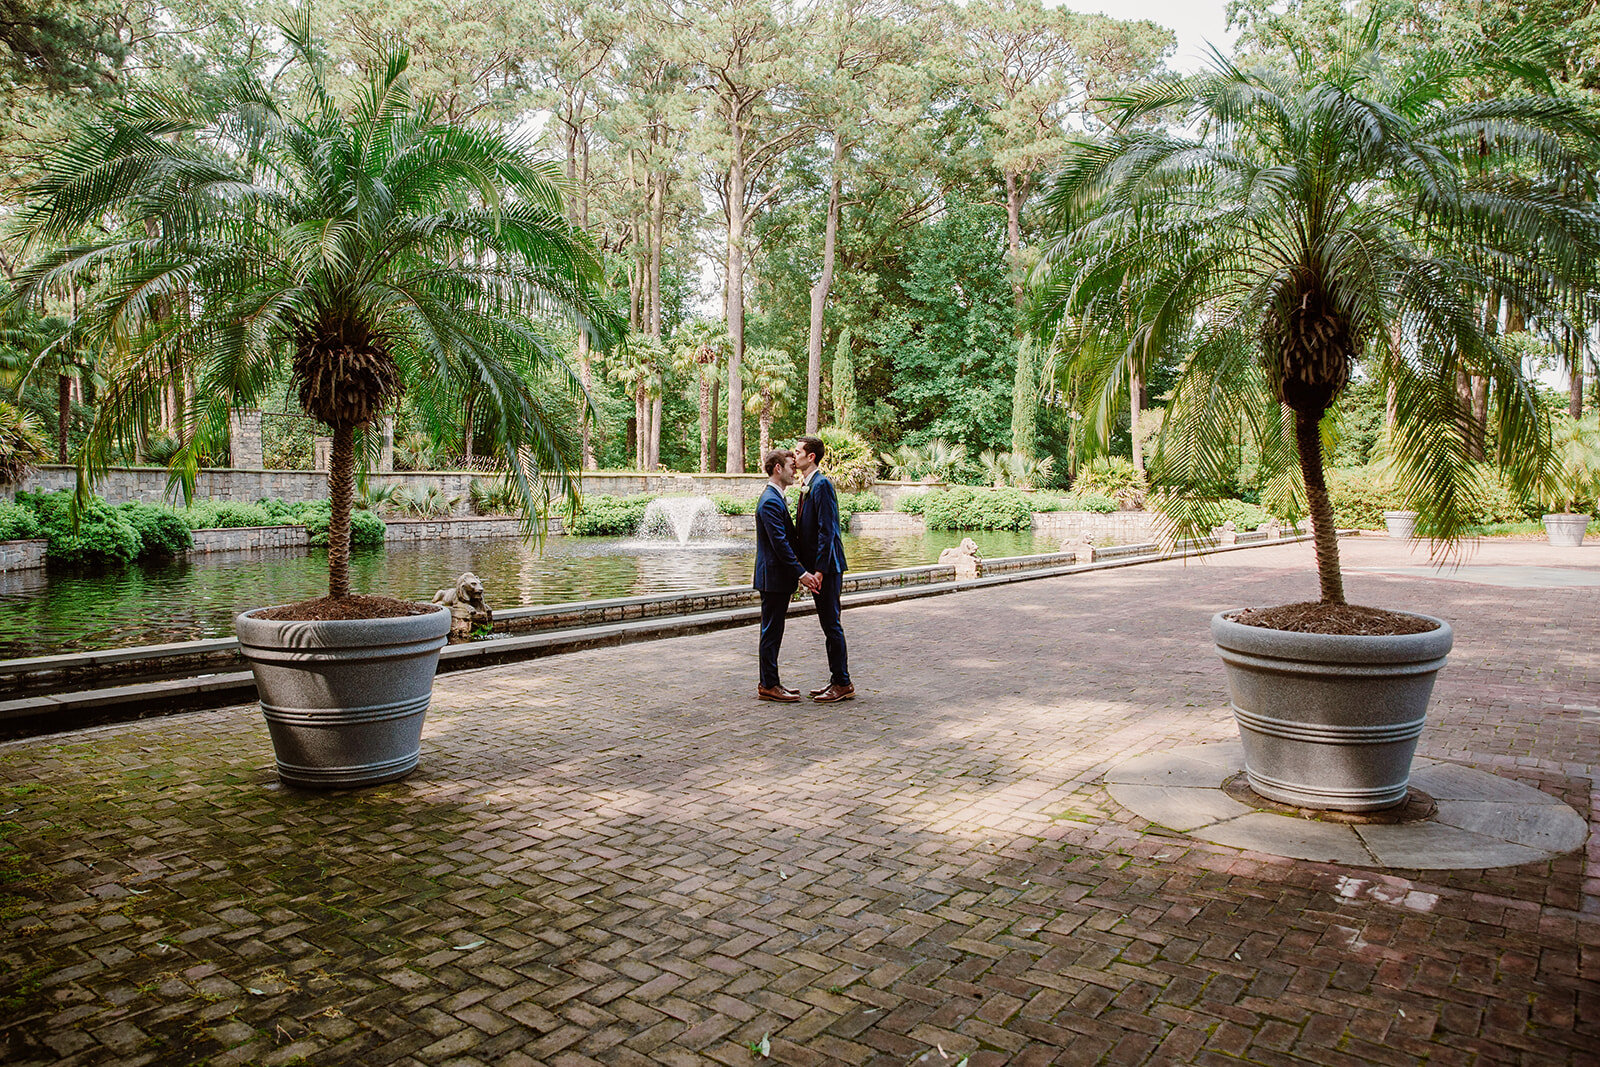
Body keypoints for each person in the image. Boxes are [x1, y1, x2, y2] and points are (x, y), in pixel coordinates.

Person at [753, 449, 821, 702]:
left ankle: (772, 681)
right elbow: (780, 544)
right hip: (772, 578)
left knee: (774, 630)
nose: (796, 471)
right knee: (771, 631)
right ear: (777, 469)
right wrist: (802, 573)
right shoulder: (770, 500)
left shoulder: (776, 497)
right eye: (791, 466)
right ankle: (768, 685)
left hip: (777, 578)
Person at [793, 435, 854, 702]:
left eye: (797, 452)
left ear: (811, 457)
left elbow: (828, 531)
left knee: (832, 625)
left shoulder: (822, 485)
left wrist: (818, 570)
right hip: (819, 567)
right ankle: (835, 679)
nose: (793, 456)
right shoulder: (808, 485)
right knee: (828, 624)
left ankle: (842, 683)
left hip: (827, 568)